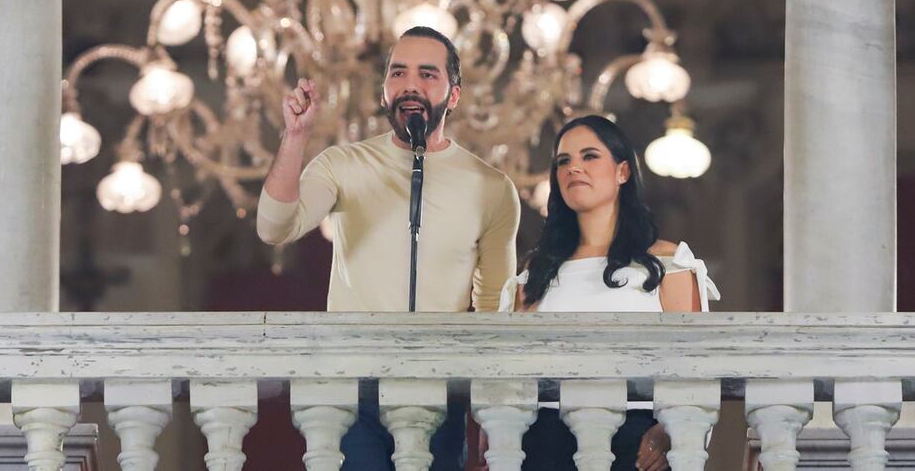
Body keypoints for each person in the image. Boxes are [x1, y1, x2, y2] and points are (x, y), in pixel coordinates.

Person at [256, 25, 521, 471]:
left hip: (441, 393)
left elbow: (495, 310)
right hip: (350, 391)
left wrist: (489, 418)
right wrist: (295, 138)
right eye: (398, 73)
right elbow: (273, 228)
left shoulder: (492, 188)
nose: (410, 85)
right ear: (384, 90)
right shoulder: (342, 164)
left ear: (453, 94)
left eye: (427, 74)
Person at [496, 114, 719, 471]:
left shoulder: (668, 262)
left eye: (589, 156)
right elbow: (514, 375)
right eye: (563, 161)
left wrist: (665, 432)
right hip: (545, 441)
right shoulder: (535, 272)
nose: (574, 168)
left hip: (637, 439)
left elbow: (694, 369)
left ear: (623, 172)